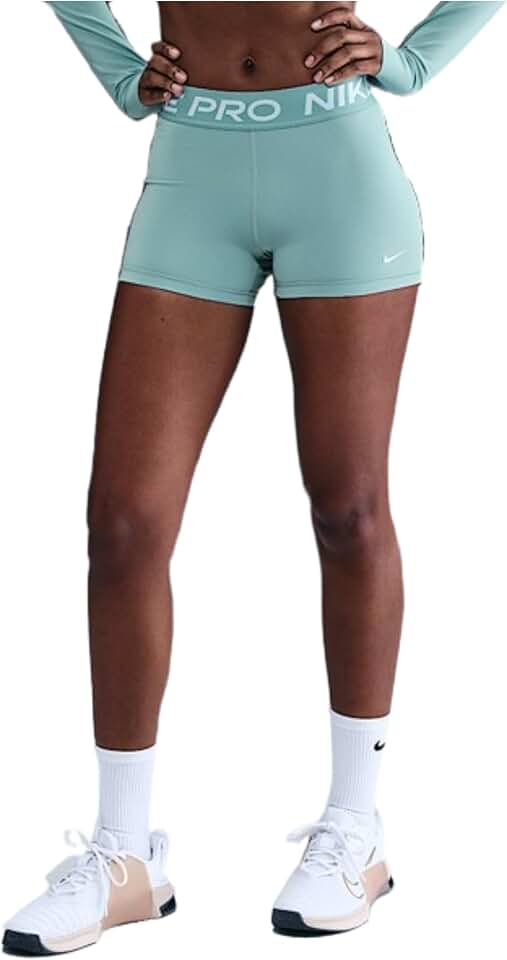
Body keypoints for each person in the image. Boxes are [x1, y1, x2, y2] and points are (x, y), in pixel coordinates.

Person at [3, 1, 504, 953]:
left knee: (348, 508)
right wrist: (120, 75)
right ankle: (124, 856)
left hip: (338, 177)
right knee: (123, 524)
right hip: (191, 174)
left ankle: (354, 831)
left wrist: (406, 64)